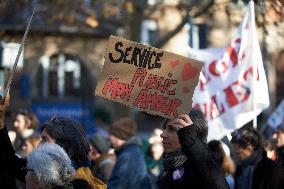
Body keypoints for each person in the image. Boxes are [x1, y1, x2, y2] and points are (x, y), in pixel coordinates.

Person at [0, 93, 106, 189]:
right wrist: (1, 120)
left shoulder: (79, 183)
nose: (39, 145)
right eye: (41, 139)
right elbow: (11, 162)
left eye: (45, 140)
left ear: (64, 146)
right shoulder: (43, 169)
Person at [158, 109, 229, 189]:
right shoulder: (169, 167)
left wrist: (191, 144)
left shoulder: (201, 169)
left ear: (189, 133)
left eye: (172, 129)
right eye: (164, 128)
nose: (162, 134)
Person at [107, 117, 154, 189]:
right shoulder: (130, 152)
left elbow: (120, 185)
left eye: (111, 134)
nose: (109, 138)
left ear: (117, 135)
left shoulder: (129, 156)